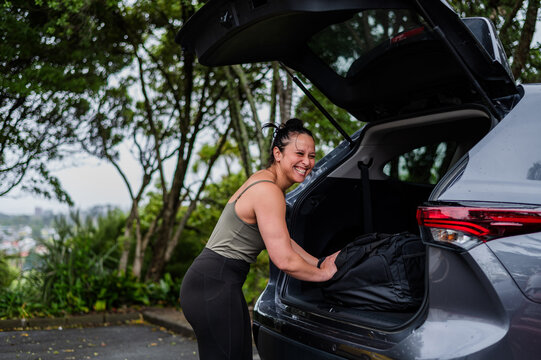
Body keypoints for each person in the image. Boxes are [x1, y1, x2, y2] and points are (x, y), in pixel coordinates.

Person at [179, 118, 339, 360]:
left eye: (312, 155)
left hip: (212, 283)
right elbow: (283, 259)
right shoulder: (269, 191)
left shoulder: (265, 182)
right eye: (299, 153)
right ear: (277, 153)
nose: (307, 162)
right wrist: (324, 274)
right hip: (214, 286)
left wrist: (318, 262)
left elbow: (282, 240)